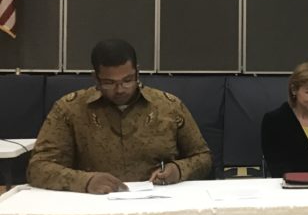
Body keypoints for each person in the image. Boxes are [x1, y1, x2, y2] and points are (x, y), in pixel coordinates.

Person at [27, 39, 212, 193]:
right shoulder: (69, 109)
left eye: (128, 80)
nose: (120, 89)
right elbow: (38, 168)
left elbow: (203, 157)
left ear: (138, 72)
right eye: (109, 82)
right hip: (94, 206)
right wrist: (85, 181)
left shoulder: (168, 106)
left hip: (157, 201)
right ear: (95, 78)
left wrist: (178, 170)